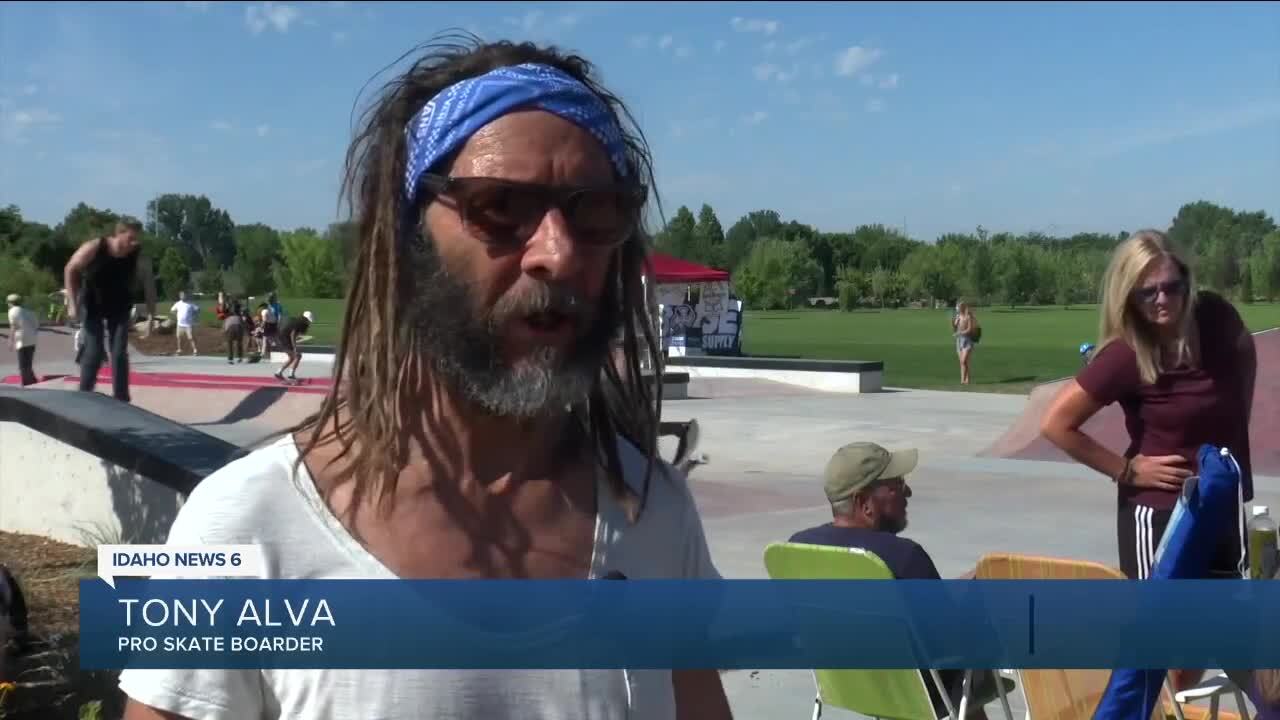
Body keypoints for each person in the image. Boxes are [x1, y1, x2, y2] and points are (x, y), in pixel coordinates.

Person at [118, 36, 730, 720]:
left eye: (595, 210)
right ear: (407, 242)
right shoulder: (239, 523)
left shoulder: (655, 512)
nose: (558, 253)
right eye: (499, 205)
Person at [1040, 230, 1256, 693]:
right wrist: (1127, 468)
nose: (1162, 299)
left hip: (1220, 505)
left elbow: (1242, 368)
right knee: (1160, 642)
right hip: (1160, 514)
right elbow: (1056, 424)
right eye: (1147, 291)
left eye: (1171, 286)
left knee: (1215, 633)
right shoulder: (1124, 354)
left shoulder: (1217, 318)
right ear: (1129, 294)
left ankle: (1181, 704)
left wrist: (1238, 459)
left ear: (1186, 280)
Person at [789, 441, 1015, 719]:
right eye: (896, 485)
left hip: (846, 686)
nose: (907, 491)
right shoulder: (904, 556)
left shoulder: (799, 547)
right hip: (917, 694)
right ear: (864, 502)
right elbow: (951, 641)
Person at [64, 218, 156, 403]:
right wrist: (72, 304)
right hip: (92, 304)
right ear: (118, 233)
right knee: (94, 350)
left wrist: (152, 317)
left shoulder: (138, 256)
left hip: (119, 306)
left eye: (137, 239)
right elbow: (70, 269)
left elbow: (149, 285)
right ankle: (84, 394)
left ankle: (121, 398)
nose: (134, 243)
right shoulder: (95, 247)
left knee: (119, 351)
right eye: (130, 238)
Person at [5, 294, 39, 386]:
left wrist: (10, 340)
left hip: (22, 340)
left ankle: (26, 383)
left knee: (23, 365)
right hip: (32, 339)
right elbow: (36, 326)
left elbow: (13, 326)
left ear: (10, 303)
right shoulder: (30, 312)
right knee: (28, 362)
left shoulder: (12, 311)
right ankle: (32, 380)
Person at [272, 310, 313, 383]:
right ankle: (291, 375)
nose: (308, 322)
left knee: (292, 357)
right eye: (308, 320)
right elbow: (292, 335)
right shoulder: (299, 323)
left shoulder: (297, 321)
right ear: (305, 318)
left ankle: (278, 372)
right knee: (298, 356)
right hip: (284, 339)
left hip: (281, 338)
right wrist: (295, 348)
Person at [951, 301, 977, 385]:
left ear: (962, 307)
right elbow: (955, 329)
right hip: (959, 341)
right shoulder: (958, 316)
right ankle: (964, 380)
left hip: (967, 340)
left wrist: (960, 333)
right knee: (962, 362)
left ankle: (965, 380)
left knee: (964, 360)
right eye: (957, 307)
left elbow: (969, 329)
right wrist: (953, 323)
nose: (958, 308)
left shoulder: (968, 317)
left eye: (959, 306)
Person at [170, 291, 200, 355]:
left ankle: (195, 350)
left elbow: (197, 309)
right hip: (180, 325)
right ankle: (179, 350)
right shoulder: (178, 303)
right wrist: (176, 315)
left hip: (188, 325)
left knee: (190, 338)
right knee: (179, 337)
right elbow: (172, 310)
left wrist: (194, 315)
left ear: (186, 296)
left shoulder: (190, 304)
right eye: (181, 295)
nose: (182, 296)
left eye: (183, 295)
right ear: (180, 296)